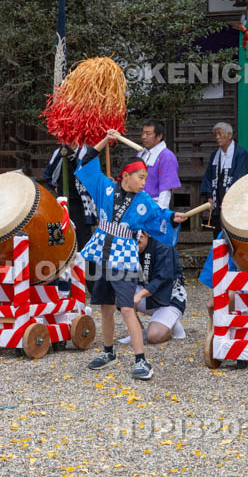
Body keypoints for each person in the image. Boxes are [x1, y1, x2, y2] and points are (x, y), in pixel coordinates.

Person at [76, 128, 187, 381]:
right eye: (140, 177)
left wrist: (173, 217)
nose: (144, 182)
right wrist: (106, 139)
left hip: (123, 254)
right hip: (99, 250)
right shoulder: (104, 188)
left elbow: (160, 217)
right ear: (125, 176)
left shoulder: (145, 200)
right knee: (104, 306)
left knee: (126, 308)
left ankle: (141, 360)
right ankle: (108, 352)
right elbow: (86, 161)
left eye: (146, 178)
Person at [120, 233, 187, 345]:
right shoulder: (129, 248)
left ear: (143, 235)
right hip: (146, 294)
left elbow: (163, 279)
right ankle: (138, 331)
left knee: (154, 337)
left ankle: (172, 323)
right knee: (118, 292)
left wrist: (140, 294)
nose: (137, 247)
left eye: (139, 243)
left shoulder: (164, 246)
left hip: (169, 299)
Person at [45, 143, 97, 254]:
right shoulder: (58, 152)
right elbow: (48, 173)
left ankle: (84, 268)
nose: (70, 141)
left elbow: (87, 173)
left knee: (83, 239)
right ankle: (61, 266)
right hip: (62, 202)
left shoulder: (86, 151)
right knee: (60, 237)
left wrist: (73, 157)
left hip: (81, 202)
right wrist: (54, 186)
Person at [199, 122, 248, 210]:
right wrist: (210, 197)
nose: (217, 137)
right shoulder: (215, 155)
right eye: (216, 134)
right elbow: (208, 177)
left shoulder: (240, 154)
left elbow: (240, 177)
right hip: (216, 200)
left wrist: (230, 197)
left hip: (234, 202)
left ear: (229, 135)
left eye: (220, 134)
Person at [139, 120, 181, 210]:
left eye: (148, 133)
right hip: (137, 203)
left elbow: (166, 189)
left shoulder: (167, 156)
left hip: (154, 205)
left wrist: (160, 211)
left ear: (159, 136)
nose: (143, 137)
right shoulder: (141, 153)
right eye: (143, 133)